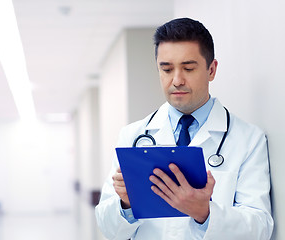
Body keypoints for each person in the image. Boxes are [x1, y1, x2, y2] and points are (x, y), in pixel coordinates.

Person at [95, 17, 274, 239]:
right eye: (167, 69)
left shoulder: (248, 140)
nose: (177, 80)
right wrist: (125, 204)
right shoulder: (133, 136)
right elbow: (109, 229)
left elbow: (260, 227)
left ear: (211, 70)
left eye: (188, 68)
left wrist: (205, 213)